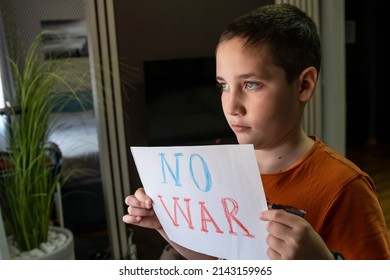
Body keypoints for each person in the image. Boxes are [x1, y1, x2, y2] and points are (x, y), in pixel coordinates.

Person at [122, 3, 390, 260]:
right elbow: (221, 258)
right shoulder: (220, 172)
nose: (231, 106)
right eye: (223, 86)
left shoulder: (345, 188)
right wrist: (166, 226)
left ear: (303, 86)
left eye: (251, 84)